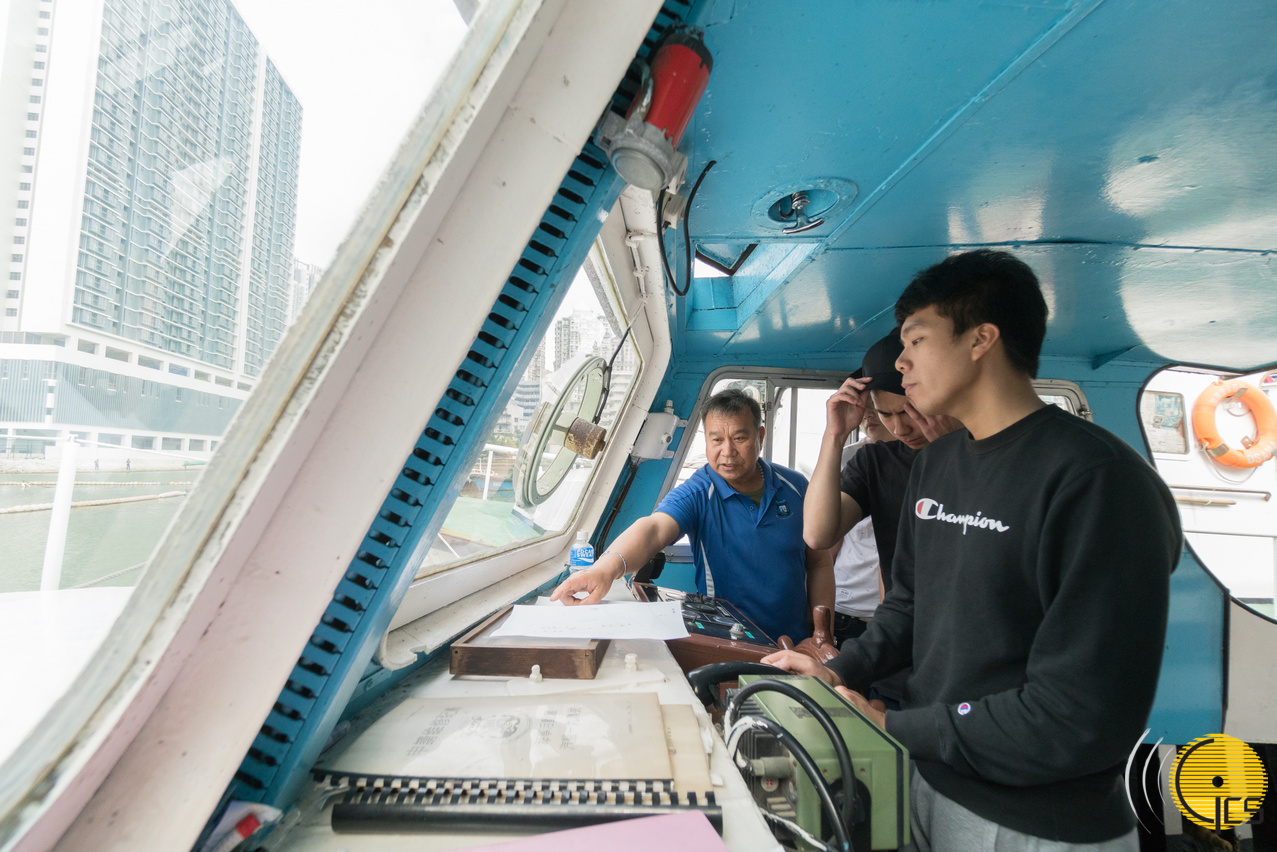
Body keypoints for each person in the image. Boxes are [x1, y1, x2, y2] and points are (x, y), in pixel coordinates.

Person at [765, 250, 1182, 849]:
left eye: (916, 340)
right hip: (924, 778)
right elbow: (908, 607)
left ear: (981, 339)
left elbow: (1076, 715)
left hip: (1033, 820)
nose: (900, 362)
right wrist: (834, 674)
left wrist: (888, 722)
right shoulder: (936, 464)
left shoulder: (1098, 481)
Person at [551, 388, 832, 644]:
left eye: (739, 438)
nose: (727, 451)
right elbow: (653, 529)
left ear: (759, 437)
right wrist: (604, 570)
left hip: (796, 644)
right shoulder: (699, 491)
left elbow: (819, 563)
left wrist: (822, 635)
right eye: (717, 439)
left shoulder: (796, 486)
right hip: (728, 643)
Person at [803, 329, 961, 706]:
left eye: (909, 412)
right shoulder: (877, 462)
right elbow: (818, 534)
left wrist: (950, 450)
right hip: (899, 652)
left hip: (962, 661)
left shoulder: (978, 457)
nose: (899, 428)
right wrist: (834, 435)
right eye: (885, 415)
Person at [828, 401, 892, 647]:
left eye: (878, 405)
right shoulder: (848, 457)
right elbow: (827, 540)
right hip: (844, 604)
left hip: (891, 612)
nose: (868, 414)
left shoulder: (923, 458)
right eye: (864, 406)